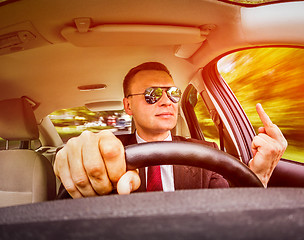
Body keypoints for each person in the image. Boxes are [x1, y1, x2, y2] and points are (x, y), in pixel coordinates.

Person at [54, 62, 287, 198]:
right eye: (152, 94)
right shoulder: (107, 154)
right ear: (128, 106)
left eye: (173, 93)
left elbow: (229, 214)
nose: (167, 101)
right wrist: (79, 160)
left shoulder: (208, 154)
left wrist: (258, 177)